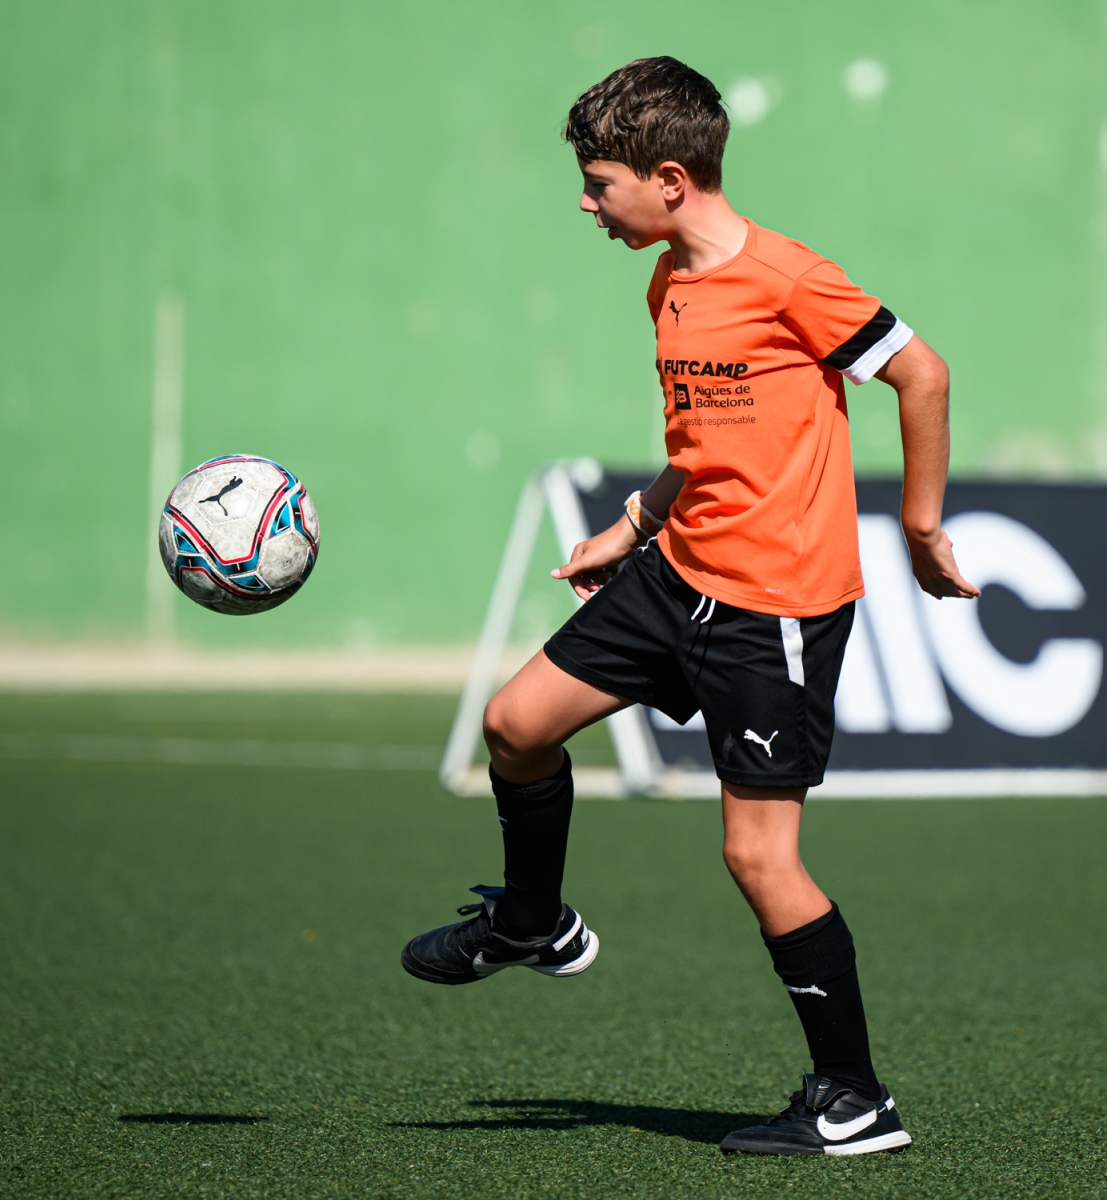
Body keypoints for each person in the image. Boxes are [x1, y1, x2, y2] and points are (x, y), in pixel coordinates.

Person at [402, 56, 978, 1157]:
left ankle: (854, 1098)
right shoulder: (668, 281)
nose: (587, 204)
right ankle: (532, 922)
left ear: (670, 180)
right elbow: (708, 443)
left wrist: (919, 529)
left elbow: (925, 374)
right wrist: (634, 524)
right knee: (515, 725)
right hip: (677, 577)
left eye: (599, 184)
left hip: (778, 609)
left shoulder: (791, 278)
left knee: (759, 859)